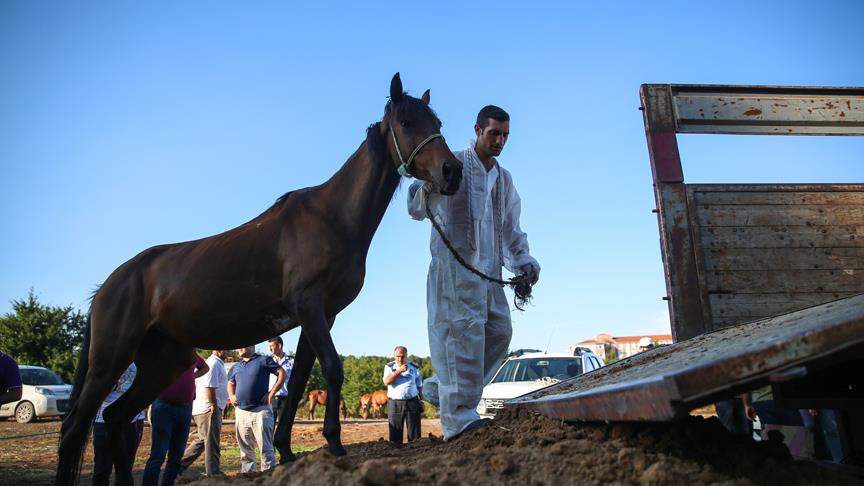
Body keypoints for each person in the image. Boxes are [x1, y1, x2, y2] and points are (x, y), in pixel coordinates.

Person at [407, 105, 540, 441]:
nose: (500, 140)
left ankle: (441, 388)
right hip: (453, 272)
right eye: (494, 133)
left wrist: (523, 262)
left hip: (489, 272)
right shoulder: (451, 162)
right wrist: (430, 185)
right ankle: (459, 422)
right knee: (460, 339)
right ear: (478, 130)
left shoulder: (503, 178)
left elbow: (511, 228)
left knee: (499, 332)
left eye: (505, 135)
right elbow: (415, 206)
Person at [142, 354, 208, 486]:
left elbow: (205, 368)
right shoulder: (165, 352)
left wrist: (192, 377)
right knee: (158, 455)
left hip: (185, 407)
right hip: (164, 406)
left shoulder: (191, 354)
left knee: (176, 456)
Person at [228, 345, 286, 473]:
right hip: (241, 412)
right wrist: (231, 395)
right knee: (245, 450)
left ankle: (268, 477)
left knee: (266, 448)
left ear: (252, 346)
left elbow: (282, 373)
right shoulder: (237, 366)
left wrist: (271, 393)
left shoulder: (263, 360)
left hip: (260, 411)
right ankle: (248, 477)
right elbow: (231, 383)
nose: (239, 348)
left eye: (243, 345)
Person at [92, 363, 146, 486]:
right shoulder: (104, 356)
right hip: (104, 421)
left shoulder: (140, 358)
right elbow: (94, 390)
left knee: (125, 469)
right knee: (102, 469)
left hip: (133, 421)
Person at [180, 350, 229, 478]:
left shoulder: (215, 363)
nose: (228, 351)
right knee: (211, 442)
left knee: (201, 440)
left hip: (204, 408)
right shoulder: (214, 363)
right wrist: (213, 404)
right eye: (226, 349)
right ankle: (213, 473)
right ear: (218, 350)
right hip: (209, 408)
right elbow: (209, 387)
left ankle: (178, 467)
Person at [382, 346, 423, 444]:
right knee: (395, 435)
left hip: (412, 402)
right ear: (394, 356)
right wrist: (399, 371)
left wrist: (421, 400)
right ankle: (397, 456)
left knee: (415, 434)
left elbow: (419, 385)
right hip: (395, 403)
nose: (400, 359)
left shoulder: (414, 367)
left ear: (406, 356)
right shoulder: (389, 367)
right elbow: (387, 382)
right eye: (397, 356)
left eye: (402, 356)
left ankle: (415, 455)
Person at [267, 337, 294, 425]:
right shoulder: (268, 361)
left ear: (279, 345)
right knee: (269, 428)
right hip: (270, 399)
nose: (269, 348)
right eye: (269, 346)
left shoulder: (291, 361)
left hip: (285, 400)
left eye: (271, 346)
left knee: (284, 427)